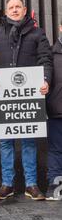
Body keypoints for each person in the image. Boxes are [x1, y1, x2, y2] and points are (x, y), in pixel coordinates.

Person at [0, 0, 52, 200]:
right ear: (5, 12)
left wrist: (46, 79)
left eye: (17, 7)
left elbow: (46, 58)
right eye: (11, 7)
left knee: (29, 141)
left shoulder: (38, 33)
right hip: (4, 97)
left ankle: (31, 184)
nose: (14, 10)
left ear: (24, 10)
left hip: (29, 98)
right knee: (5, 142)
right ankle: (7, 184)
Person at [45, 20, 62, 200]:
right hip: (57, 110)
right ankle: (55, 186)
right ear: (60, 28)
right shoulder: (50, 53)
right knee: (56, 150)